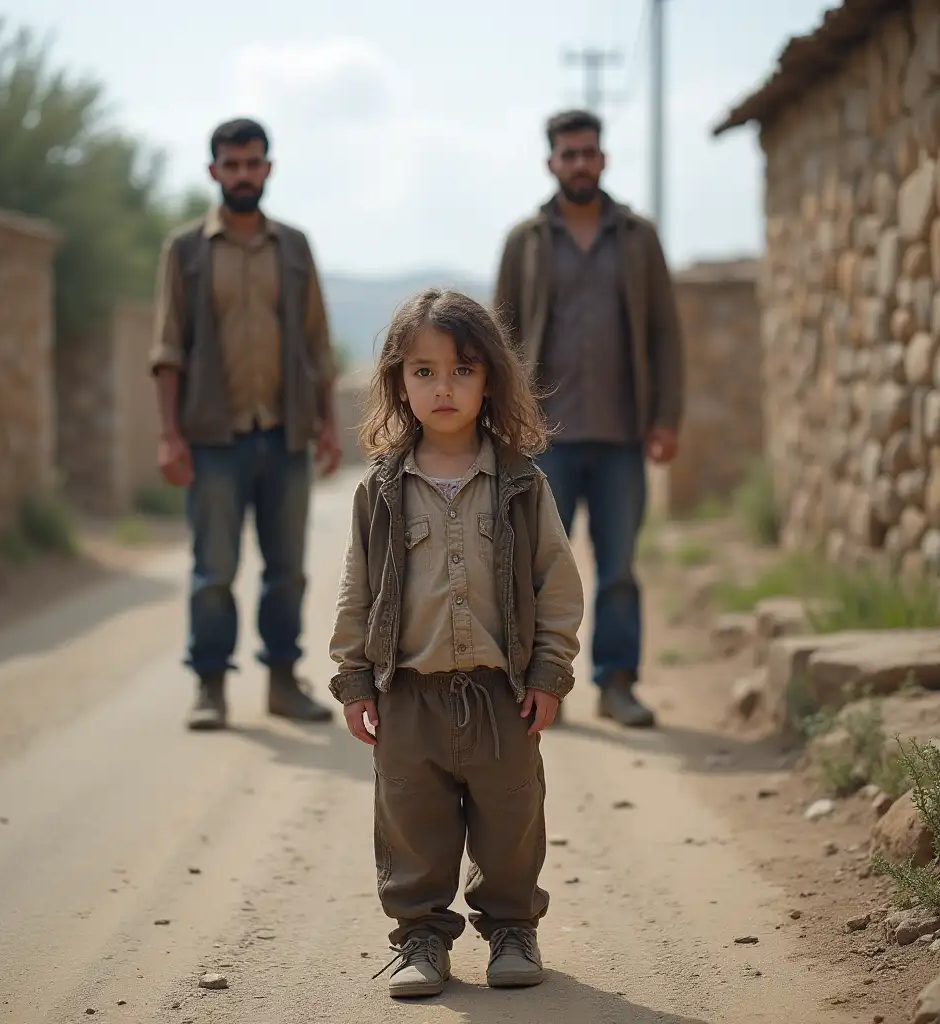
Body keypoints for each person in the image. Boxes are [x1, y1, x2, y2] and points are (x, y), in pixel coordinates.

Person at [329, 288, 584, 999]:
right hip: (409, 694)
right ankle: (419, 939)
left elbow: (557, 582)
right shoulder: (380, 491)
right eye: (424, 371)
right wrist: (353, 680)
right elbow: (358, 590)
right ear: (397, 381)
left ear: (490, 380)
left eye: (463, 370)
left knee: (511, 818)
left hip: (502, 695)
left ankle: (511, 928)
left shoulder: (522, 484)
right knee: (413, 822)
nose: (443, 388)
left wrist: (549, 672)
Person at [150, 117, 342, 731]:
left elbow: (316, 344)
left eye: (252, 164)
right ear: (214, 172)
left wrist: (329, 426)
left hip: (283, 434)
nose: (242, 175)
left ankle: (284, 683)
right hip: (212, 438)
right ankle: (210, 688)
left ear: (268, 169)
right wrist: (168, 434)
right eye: (231, 165)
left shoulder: (294, 247)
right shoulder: (185, 250)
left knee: (286, 571)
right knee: (214, 573)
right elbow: (167, 347)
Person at [493, 109, 683, 730]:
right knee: (538, 565)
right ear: (551, 162)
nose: (579, 163)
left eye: (588, 152)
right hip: (542, 435)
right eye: (568, 153)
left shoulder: (637, 237)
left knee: (619, 566)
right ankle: (541, 686)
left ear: (602, 158)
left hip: (624, 432)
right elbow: (501, 336)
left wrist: (665, 417)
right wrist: (499, 420)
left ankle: (619, 684)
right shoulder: (525, 241)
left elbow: (664, 332)